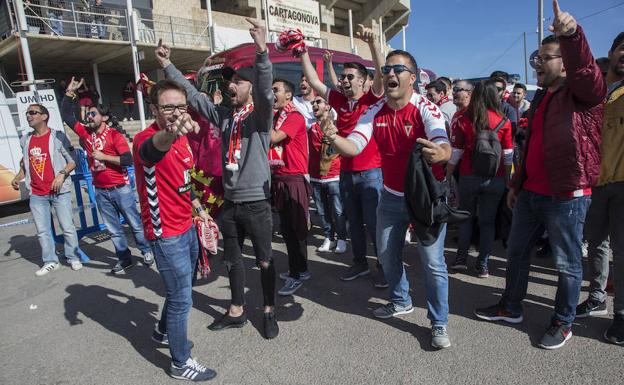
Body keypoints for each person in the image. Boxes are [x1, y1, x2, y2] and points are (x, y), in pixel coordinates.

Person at [475, 1, 606, 350]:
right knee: (517, 253)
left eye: (546, 57)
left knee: (566, 264)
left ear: (565, 63)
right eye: (536, 57)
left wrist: (572, 36)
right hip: (531, 193)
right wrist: (517, 185)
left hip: (567, 195)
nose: (537, 62)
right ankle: (511, 306)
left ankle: (563, 321)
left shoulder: (585, 94)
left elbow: (588, 73)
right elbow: (530, 145)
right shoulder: (542, 98)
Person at [157, 19, 279, 339]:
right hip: (230, 204)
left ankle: (268, 311)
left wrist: (262, 50)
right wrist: (167, 65)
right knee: (233, 261)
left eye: (237, 81)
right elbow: (195, 98)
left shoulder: (260, 117)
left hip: (257, 205)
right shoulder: (224, 116)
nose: (230, 85)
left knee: (265, 262)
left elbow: (267, 92)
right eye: (229, 81)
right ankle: (236, 310)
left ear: (249, 86)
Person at [326, 49, 453, 349]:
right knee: (385, 255)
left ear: (413, 77)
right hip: (391, 198)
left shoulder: (426, 108)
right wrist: (331, 135)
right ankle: (400, 301)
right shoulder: (374, 111)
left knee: (433, 264)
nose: (391, 74)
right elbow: (354, 146)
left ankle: (439, 322)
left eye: (398, 69)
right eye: (387, 69)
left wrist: (441, 151)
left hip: (425, 200)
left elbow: (441, 139)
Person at [132, 79, 217, 381]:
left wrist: (202, 211)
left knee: (182, 287)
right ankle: (180, 363)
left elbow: (185, 182)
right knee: (182, 299)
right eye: (168, 107)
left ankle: (162, 330)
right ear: (154, 109)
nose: (176, 112)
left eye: (181, 106)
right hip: (165, 232)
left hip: (187, 225)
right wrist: (170, 131)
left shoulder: (183, 140)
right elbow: (152, 152)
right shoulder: (147, 138)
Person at [299, 24, 387, 287]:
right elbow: (315, 81)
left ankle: (383, 267)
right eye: (344, 77)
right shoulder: (337, 99)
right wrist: (302, 52)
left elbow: (382, 74)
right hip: (346, 173)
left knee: (374, 225)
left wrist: (372, 43)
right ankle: (359, 264)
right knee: (354, 224)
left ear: (362, 80)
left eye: (350, 77)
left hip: (372, 173)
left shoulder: (372, 99)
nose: (345, 80)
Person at [62, 77, 154, 274]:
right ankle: (124, 259)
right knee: (113, 230)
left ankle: (146, 250)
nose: (88, 116)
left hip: (121, 189)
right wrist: (70, 94)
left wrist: (104, 156)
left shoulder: (115, 135)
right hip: (101, 191)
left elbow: (128, 160)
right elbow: (67, 116)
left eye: (93, 113)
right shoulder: (86, 134)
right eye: (88, 113)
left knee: (135, 224)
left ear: (103, 117)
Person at [576, 31, 624, 345]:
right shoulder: (600, 94)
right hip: (595, 184)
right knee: (596, 245)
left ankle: (622, 315)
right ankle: (597, 297)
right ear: (612, 52)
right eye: (622, 49)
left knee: (622, 252)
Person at [447, 80, 513, 277]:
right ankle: (483, 264)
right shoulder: (504, 121)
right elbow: (508, 154)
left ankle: (460, 259)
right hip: (496, 178)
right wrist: (508, 179)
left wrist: (448, 175)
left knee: (466, 218)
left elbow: (456, 152)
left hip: (468, 175)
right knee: (487, 222)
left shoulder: (464, 119)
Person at [11, 104, 83, 276]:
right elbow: (26, 163)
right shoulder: (26, 139)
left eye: (33, 113)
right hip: (37, 193)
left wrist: (61, 175)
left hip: (59, 192)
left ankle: (73, 257)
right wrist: (18, 176)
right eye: (27, 113)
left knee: (67, 227)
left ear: (44, 116)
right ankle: (50, 261)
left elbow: (73, 160)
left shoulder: (57, 137)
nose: (29, 116)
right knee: (43, 231)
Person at [269, 79, 311, 296]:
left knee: (296, 230)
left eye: (275, 90)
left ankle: (299, 273)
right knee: (286, 229)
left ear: (288, 95)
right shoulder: (277, 116)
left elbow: (274, 137)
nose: (271, 93)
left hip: (293, 179)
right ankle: (298, 269)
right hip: (279, 179)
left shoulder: (294, 116)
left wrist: (263, 112)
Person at [308, 95, 347, 254]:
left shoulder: (337, 126)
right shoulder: (310, 127)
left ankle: (342, 238)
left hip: (334, 176)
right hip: (315, 176)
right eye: (313, 103)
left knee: (338, 211)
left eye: (318, 101)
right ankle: (328, 238)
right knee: (322, 211)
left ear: (328, 106)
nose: (314, 105)